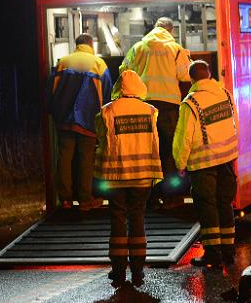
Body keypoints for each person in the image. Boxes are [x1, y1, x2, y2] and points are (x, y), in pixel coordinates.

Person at [94, 70, 162, 287]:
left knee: (117, 220)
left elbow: (101, 142)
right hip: (142, 177)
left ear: (118, 88)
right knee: (137, 219)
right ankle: (139, 271)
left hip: (116, 177)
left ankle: (119, 271)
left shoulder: (106, 112)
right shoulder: (151, 111)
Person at [118, 17, 192, 208]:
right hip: (168, 107)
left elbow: (124, 70)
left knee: (148, 152)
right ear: (171, 30)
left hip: (143, 106)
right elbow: (185, 74)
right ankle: (170, 197)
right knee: (168, 151)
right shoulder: (175, 48)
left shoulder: (138, 47)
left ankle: (149, 199)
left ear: (154, 29)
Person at [173, 60, 239, 268]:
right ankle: (229, 252)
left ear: (192, 79)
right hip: (227, 159)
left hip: (203, 165)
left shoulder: (191, 103)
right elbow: (234, 122)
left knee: (208, 207)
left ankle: (213, 254)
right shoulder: (225, 94)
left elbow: (184, 137)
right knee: (225, 204)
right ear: (209, 74)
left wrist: (180, 163)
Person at [48, 33, 112, 211]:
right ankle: (85, 199)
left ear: (76, 44)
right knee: (86, 159)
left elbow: (50, 91)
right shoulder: (98, 64)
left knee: (65, 158)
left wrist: (54, 112)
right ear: (91, 44)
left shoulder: (63, 62)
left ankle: (66, 200)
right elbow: (107, 95)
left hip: (64, 120)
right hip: (89, 119)